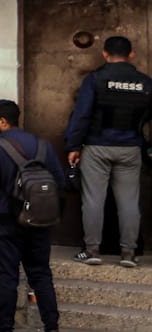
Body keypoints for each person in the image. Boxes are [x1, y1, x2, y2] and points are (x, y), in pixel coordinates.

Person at [0, 99, 67, 332]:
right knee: (41, 275)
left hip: (8, 221)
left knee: (6, 276)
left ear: (3, 121)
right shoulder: (43, 146)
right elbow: (60, 182)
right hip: (39, 222)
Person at [63, 35, 151, 268]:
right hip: (131, 148)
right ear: (131, 54)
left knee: (93, 200)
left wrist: (73, 145)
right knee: (129, 202)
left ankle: (92, 250)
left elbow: (82, 115)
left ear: (104, 53)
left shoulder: (95, 80)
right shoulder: (145, 82)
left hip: (96, 147)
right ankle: (129, 253)